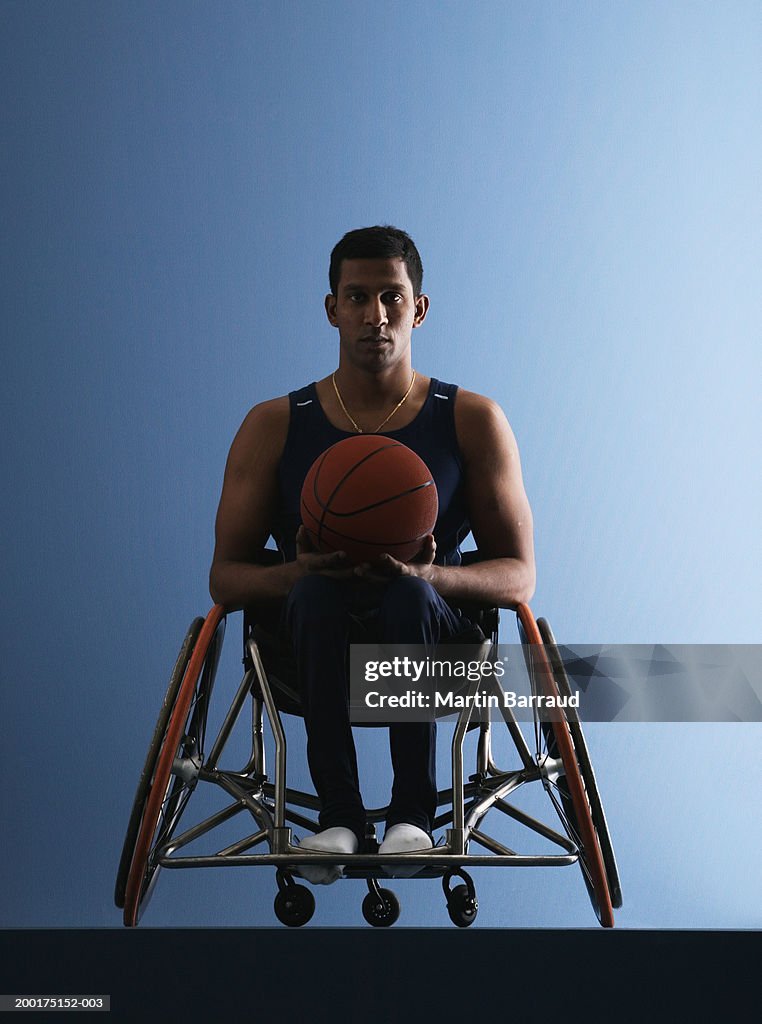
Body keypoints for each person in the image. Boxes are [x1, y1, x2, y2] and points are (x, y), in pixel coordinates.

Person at [209, 226, 535, 883]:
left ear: (419, 309)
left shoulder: (471, 419)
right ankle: (339, 820)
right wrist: (296, 572)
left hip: (434, 642)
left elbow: (520, 573)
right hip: (307, 640)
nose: (375, 315)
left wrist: (433, 573)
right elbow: (225, 575)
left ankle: (411, 819)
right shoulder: (274, 424)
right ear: (331, 308)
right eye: (357, 297)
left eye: (392, 296)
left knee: (408, 593)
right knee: (318, 592)